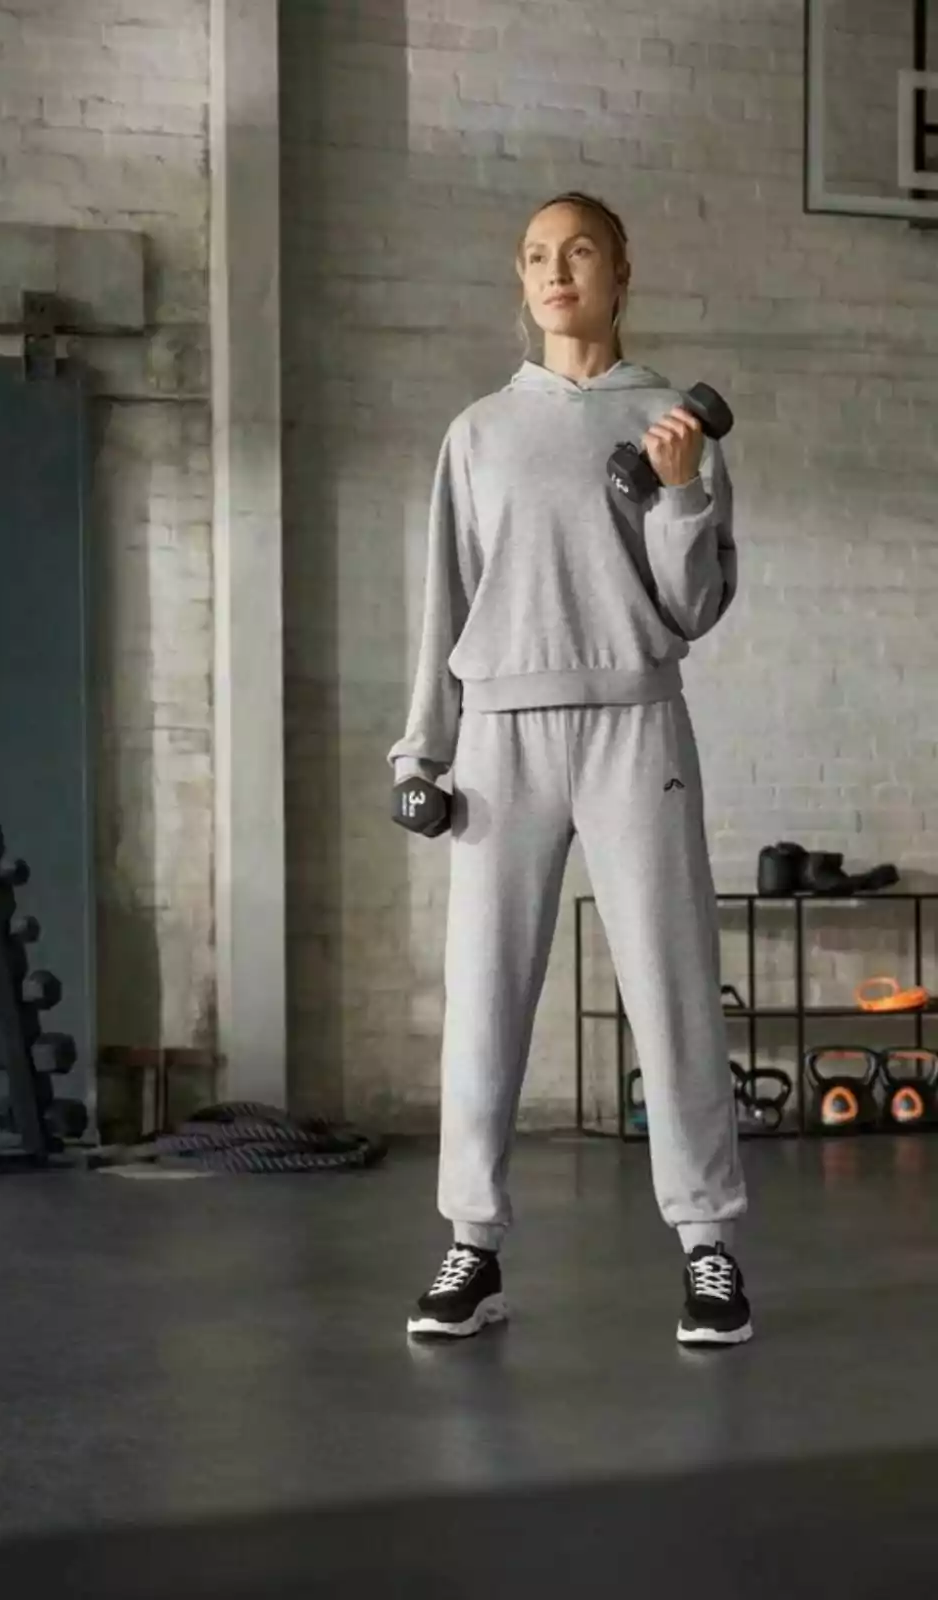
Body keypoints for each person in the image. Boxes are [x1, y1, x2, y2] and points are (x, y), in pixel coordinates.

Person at [389, 191, 751, 1348]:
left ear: (619, 269)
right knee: (487, 996)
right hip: (501, 734)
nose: (557, 271)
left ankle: (710, 1250)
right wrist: (421, 750)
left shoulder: (668, 421)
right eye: (538, 256)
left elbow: (693, 608)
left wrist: (683, 490)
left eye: (578, 251)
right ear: (522, 281)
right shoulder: (479, 433)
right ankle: (472, 1247)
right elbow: (442, 599)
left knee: (673, 983)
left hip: (635, 722)